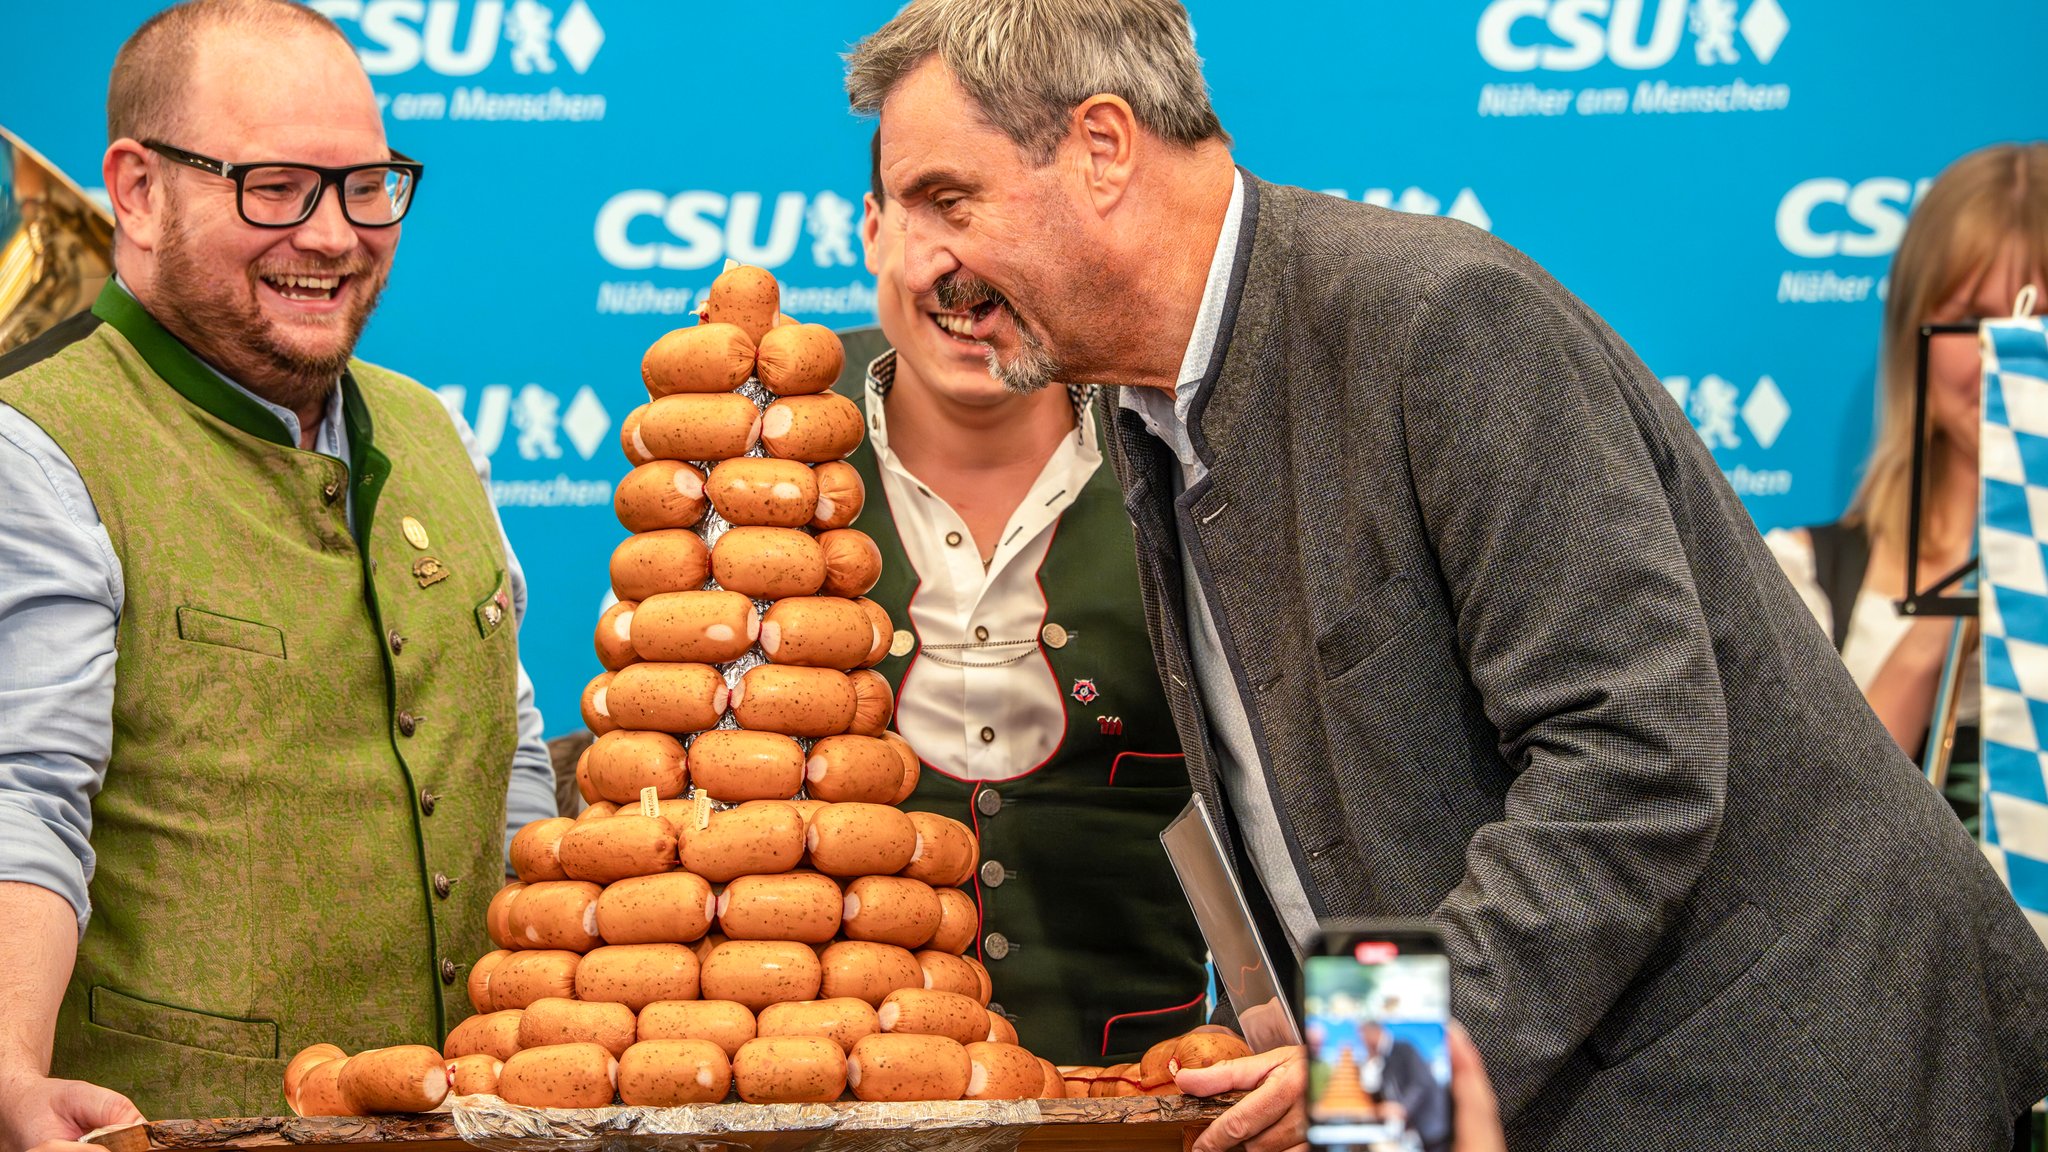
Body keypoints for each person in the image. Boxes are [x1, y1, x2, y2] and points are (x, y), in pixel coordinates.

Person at [843, 3, 2048, 1149]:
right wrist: (1337, 1073)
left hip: (1788, 1084)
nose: (923, 258)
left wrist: (1365, 1074)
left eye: (948, 198)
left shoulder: (1436, 319)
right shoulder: (1148, 407)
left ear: (1102, 146)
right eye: (899, 209)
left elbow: (1632, 758)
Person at [0, 1, 555, 1139]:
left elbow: (512, 762)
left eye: (365, 186)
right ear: (140, 191)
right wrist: (5, 1071)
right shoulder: (35, 450)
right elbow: (21, 803)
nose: (335, 234)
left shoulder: (434, 428)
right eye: (276, 187)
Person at [826, 130, 1207, 1063]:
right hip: (837, 1095)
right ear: (872, 232)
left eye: (1005, 219)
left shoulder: (1187, 443)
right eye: (938, 213)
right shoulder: (767, 454)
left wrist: (1349, 1069)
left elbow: (1327, 814)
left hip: (1147, 1099)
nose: (974, 276)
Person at [1766, 143, 2048, 831]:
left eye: (2035, 330)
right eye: (1974, 319)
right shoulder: (1806, 574)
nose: (2002, 361)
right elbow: (1818, 841)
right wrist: (1939, 634)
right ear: (1915, 329)